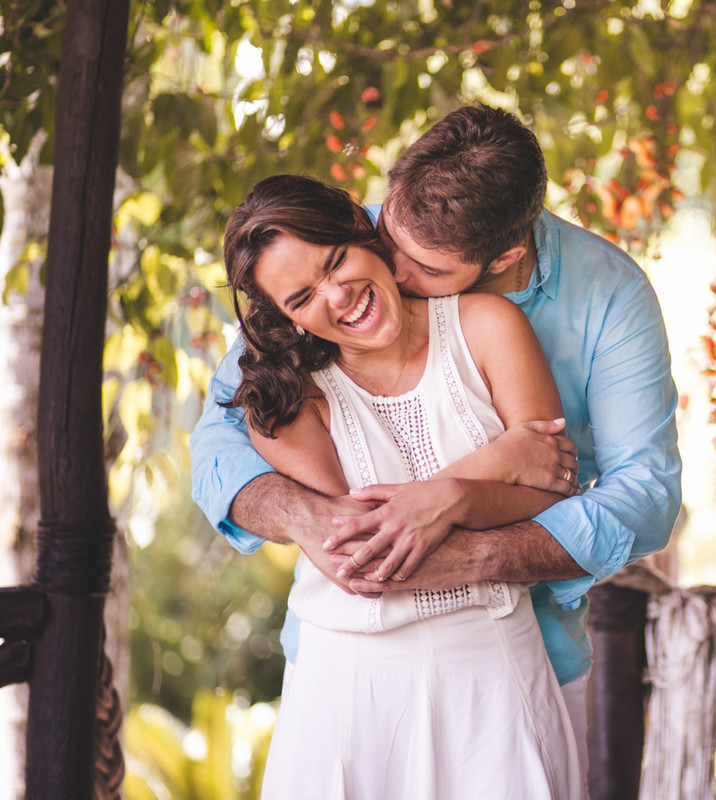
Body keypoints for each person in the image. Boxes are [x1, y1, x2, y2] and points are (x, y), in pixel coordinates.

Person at [189, 104, 683, 777]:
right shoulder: (338, 248)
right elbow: (222, 441)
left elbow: (644, 496)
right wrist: (317, 521)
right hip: (348, 663)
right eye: (384, 231)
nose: (387, 268)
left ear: (503, 257)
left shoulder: (604, 299)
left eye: (421, 267)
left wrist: (467, 544)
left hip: (521, 648)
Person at [220, 174, 583, 798]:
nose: (338, 297)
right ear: (285, 319)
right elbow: (363, 551)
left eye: (336, 262)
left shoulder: (487, 325)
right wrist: (499, 461)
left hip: (493, 667)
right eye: (302, 298)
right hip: (350, 686)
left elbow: (552, 495)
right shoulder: (281, 398)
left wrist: (450, 499)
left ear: (367, 232)